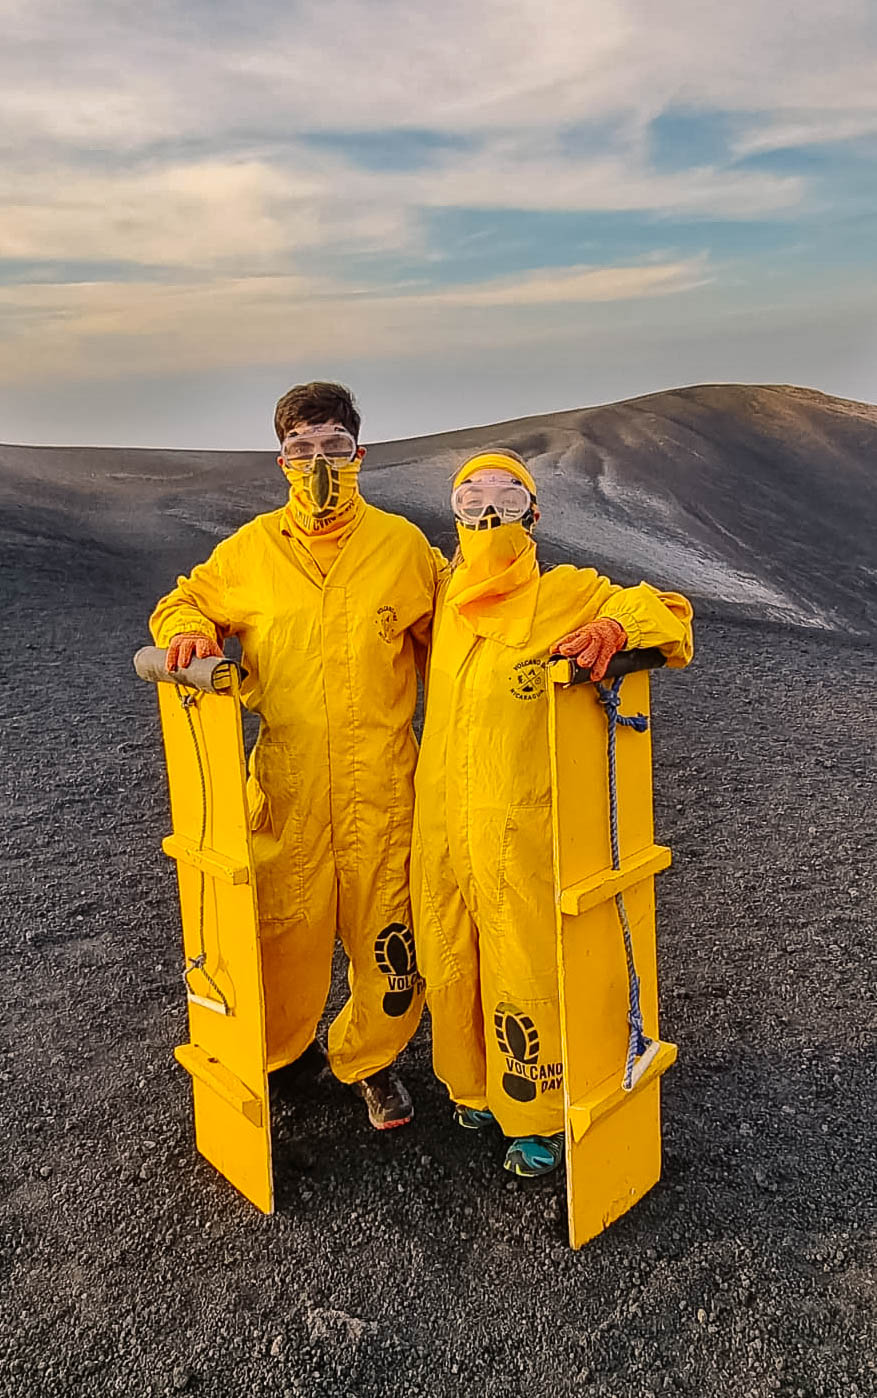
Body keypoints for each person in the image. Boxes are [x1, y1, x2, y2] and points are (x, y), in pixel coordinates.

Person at [149, 382, 447, 1130]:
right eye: (302, 449)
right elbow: (185, 600)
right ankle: (283, 1054)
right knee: (284, 933)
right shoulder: (251, 552)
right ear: (281, 458)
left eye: (334, 448)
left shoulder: (402, 548)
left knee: (390, 939)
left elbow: (459, 632)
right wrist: (189, 632)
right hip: (288, 784)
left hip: (385, 783)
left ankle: (370, 1063)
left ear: (359, 453)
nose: (319, 461)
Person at [411, 449, 693, 1176]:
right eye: (470, 494)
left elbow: (665, 611)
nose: (487, 508)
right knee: (448, 955)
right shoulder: (441, 593)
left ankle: (534, 1111)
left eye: (506, 494)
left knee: (523, 964)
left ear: (533, 513)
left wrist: (614, 631)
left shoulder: (566, 590)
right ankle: (470, 1088)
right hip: (439, 817)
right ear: (452, 513)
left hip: (515, 820)